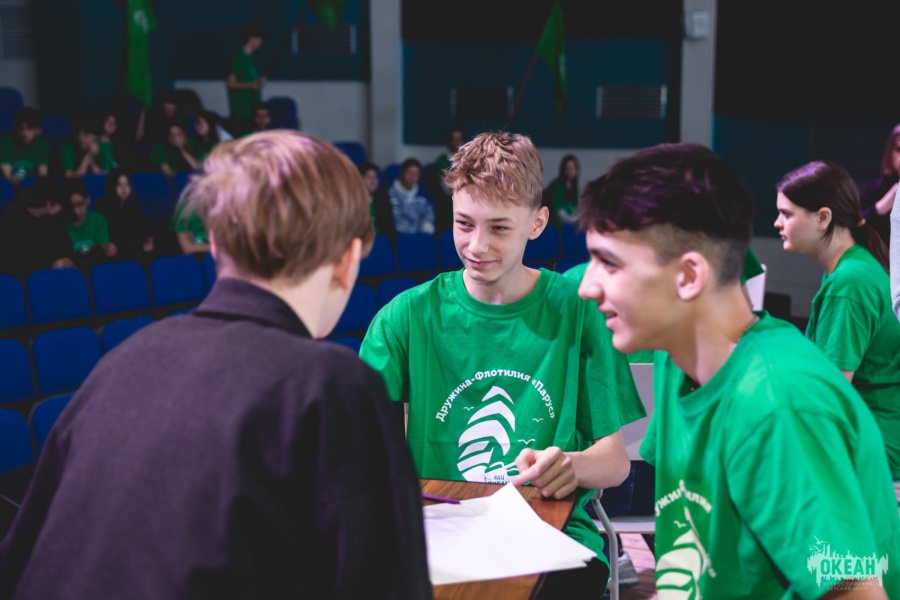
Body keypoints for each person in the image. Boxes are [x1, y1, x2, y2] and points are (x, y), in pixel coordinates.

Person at [0, 130, 433, 599]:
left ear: (213, 245)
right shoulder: (333, 385)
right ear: (348, 260)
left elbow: (20, 560)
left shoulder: (121, 363)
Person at [578, 142, 900, 598]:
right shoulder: (677, 359)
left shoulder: (777, 404)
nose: (587, 287)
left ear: (689, 276)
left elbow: (856, 591)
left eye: (609, 263)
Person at [360, 131, 645, 599]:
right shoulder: (404, 317)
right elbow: (366, 457)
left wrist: (571, 465)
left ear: (537, 223)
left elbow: (614, 463)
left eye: (498, 228)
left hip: (551, 530)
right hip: (438, 531)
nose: (477, 245)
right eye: (464, 224)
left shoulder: (578, 312)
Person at [775, 160, 900, 480]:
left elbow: (828, 397)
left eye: (786, 214)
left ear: (823, 218)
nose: (777, 223)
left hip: (873, 455)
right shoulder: (854, 267)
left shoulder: (849, 282)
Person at [0, 177, 74, 277]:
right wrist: (50, 265)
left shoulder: (54, 219)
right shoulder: (11, 218)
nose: (62, 209)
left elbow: (63, 245)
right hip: (23, 276)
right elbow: (12, 261)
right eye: (60, 205)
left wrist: (65, 260)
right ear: (49, 204)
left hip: (54, 272)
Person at [95, 169, 154, 259]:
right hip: (112, 254)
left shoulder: (134, 206)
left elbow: (145, 231)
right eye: (119, 185)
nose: (124, 189)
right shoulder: (102, 206)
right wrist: (104, 245)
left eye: (127, 185)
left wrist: (149, 244)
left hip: (134, 252)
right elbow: (98, 233)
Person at [858, 123, 900, 245]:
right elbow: (850, 231)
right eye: (899, 149)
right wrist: (881, 207)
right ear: (890, 152)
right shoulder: (871, 190)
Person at [226, 19, 268, 134]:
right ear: (251, 38)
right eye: (259, 38)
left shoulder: (250, 60)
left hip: (253, 113)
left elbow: (250, 83)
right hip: (241, 114)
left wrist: (258, 83)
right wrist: (253, 84)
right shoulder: (238, 57)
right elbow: (231, 84)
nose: (261, 42)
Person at [64, 178, 115, 263]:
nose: (76, 211)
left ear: (87, 200)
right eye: (71, 206)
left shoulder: (98, 220)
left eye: (79, 205)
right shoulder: (62, 224)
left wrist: (106, 247)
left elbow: (102, 247)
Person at [0, 107, 49, 184]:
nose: (24, 133)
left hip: (31, 183)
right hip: (9, 183)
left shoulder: (42, 144)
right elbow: (7, 175)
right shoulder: (6, 141)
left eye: (29, 128)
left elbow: (42, 173)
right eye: (21, 128)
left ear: (38, 130)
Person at [388, 158, 435, 234]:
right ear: (402, 173)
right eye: (410, 173)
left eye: (416, 174)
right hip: (399, 235)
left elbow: (428, 216)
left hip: (420, 235)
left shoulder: (423, 195)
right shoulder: (391, 194)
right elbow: (395, 218)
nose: (413, 177)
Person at [358, 161, 395, 237]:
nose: (373, 181)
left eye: (375, 177)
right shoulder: (355, 200)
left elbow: (389, 225)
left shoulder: (382, 197)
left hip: (381, 239)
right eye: (369, 177)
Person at [544, 154, 580, 228]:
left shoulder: (574, 188)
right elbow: (559, 211)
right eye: (568, 168)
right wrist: (571, 220)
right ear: (564, 169)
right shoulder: (558, 187)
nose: (571, 171)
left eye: (573, 168)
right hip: (554, 225)